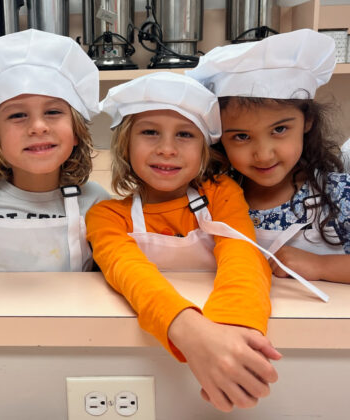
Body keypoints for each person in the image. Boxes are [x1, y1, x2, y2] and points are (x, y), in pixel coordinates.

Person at [86, 72, 282, 412]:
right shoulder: (106, 216)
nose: (166, 148)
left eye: (185, 134)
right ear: (125, 144)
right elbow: (134, 278)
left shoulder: (221, 194)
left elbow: (243, 258)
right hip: (149, 358)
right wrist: (195, 337)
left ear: (204, 149)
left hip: (223, 347)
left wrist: (231, 330)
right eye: (149, 132)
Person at [187, 29, 350, 285]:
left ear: (307, 121)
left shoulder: (340, 195)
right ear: (219, 139)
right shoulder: (209, 198)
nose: (263, 155)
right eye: (241, 137)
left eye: (279, 130)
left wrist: (322, 265)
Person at [0, 29, 110, 272]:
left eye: (53, 112)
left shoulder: (96, 202)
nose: (38, 127)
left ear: (76, 132)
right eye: (18, 115)